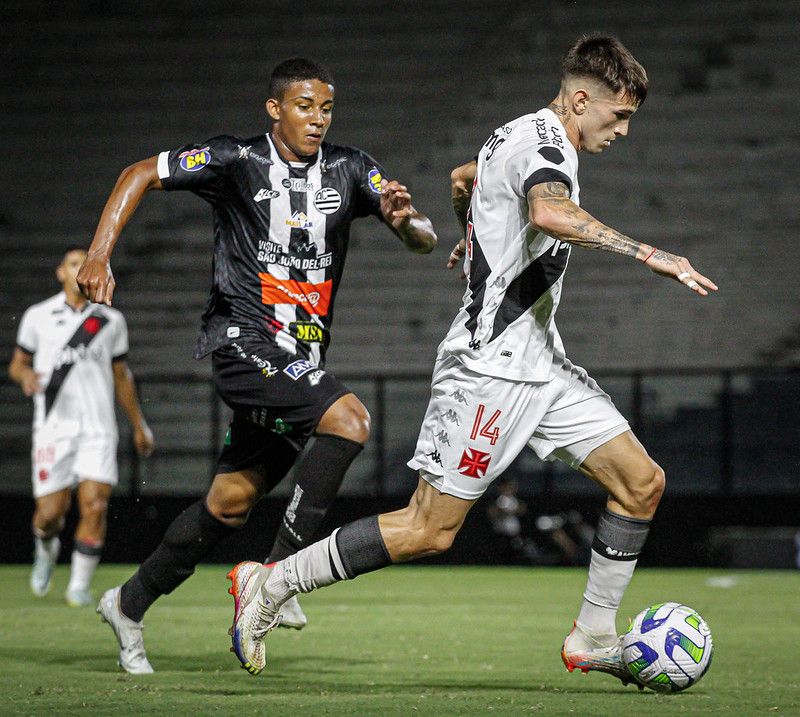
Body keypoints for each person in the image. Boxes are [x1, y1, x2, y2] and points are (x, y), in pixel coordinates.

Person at [224, 34, 718, 682]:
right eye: (618, 115)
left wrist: (474, 230)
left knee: (641, 483)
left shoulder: (515, 134)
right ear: (580, 100)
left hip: (541, 365)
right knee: (428, 528)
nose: (623, 130)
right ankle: (271, 582)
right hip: (490, 369)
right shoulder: (547, 150)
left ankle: (593, 635)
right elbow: (549, 210)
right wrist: (648, 252)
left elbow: (464, 177)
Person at [77, 57, 437, 674]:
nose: (318, 119)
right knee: (350, 420)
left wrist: (406, 223)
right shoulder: (234, 160)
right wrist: (98, 253)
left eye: (326, 108)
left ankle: (127, 604)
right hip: (243, 342)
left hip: (298, 359)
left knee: (228, 504)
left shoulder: (352, 168)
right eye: (305, 106)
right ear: (275, 109)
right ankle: (277, 579)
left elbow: (423, 237)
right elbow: (139, 173)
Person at [8, 247, 154, 608]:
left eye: (85, 262)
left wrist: (139, 425)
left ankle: (78, 585)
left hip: (98, 428)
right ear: (61, 272)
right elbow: (17, 364)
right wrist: (26, 376)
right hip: (54, 428)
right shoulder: (38, 316)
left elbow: (121, 376)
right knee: (50, 514)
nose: (79, 269)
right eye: (73, 263)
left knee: (95, 504)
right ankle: (45, 547)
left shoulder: (110, 319)